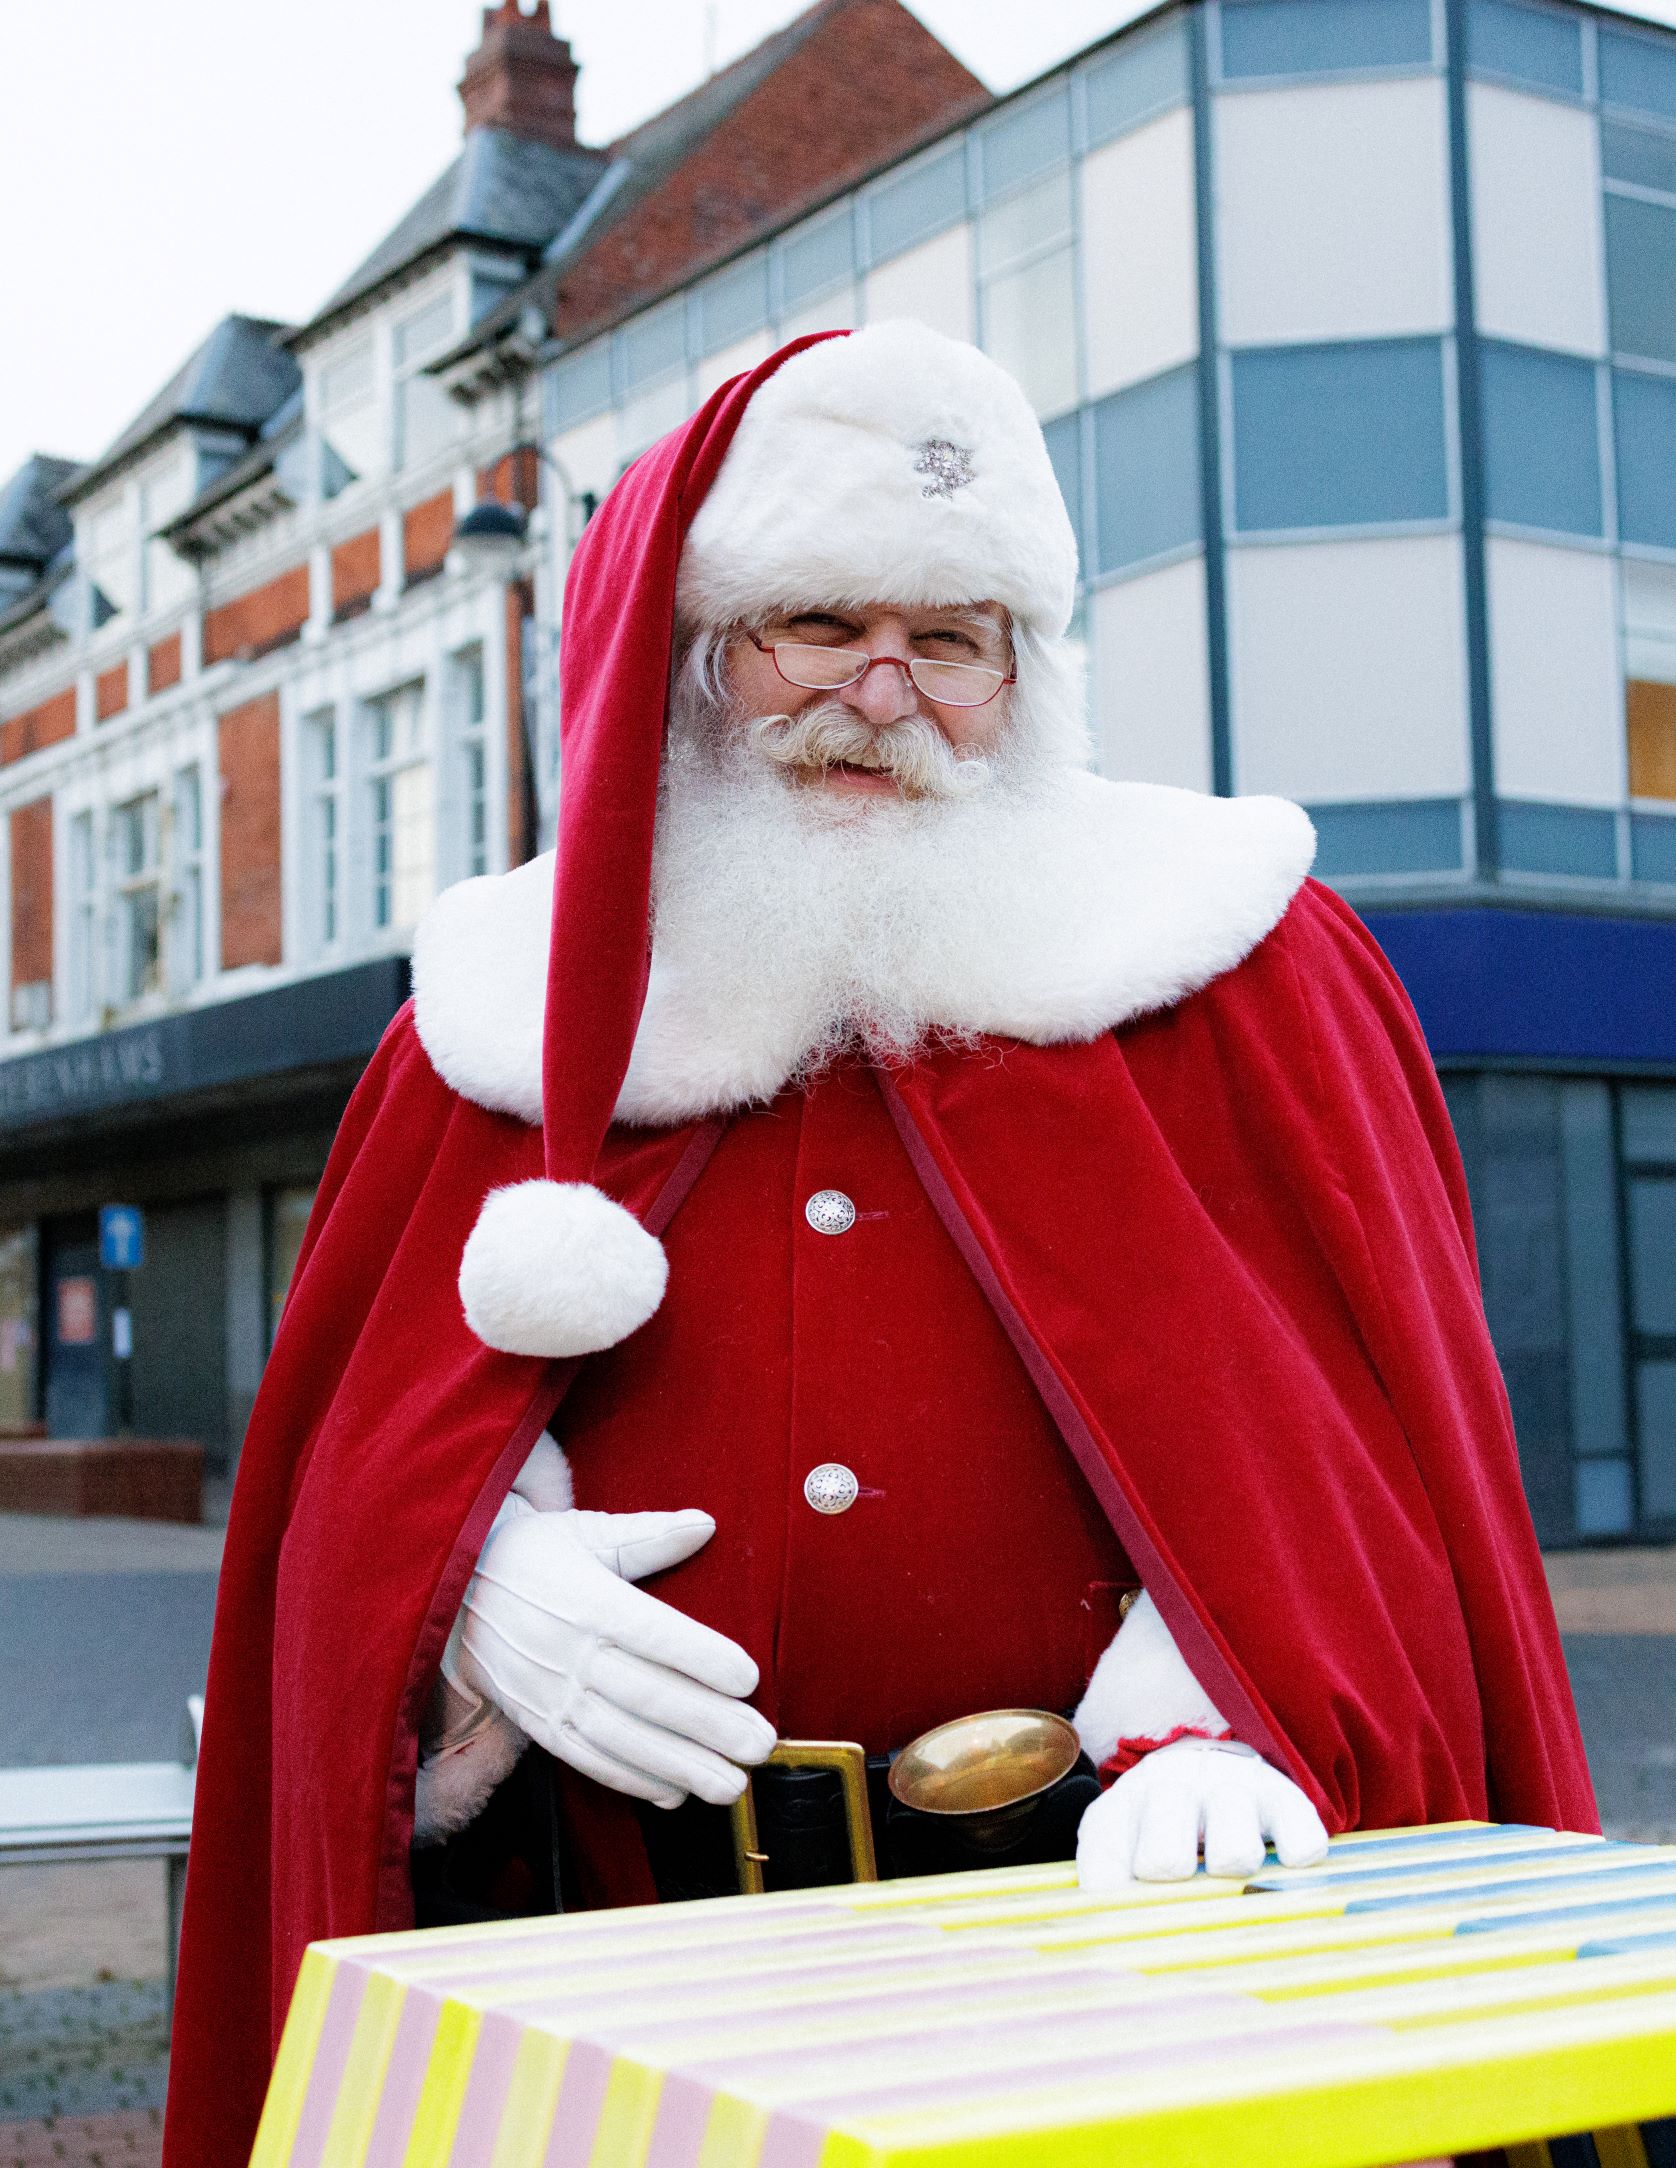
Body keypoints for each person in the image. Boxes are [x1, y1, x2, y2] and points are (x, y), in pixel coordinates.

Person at [163, 323, 1595, 2168]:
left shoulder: (1246, 962)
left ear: (1027, 671)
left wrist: (1242, 1713)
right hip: (631, 1957)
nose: (887, 690)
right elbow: (349, 1469)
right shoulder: (489, 1010)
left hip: (1130, 1957)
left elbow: (1384, 1461)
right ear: (694, 663)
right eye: (818, 625)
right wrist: (467, 1597)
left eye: (953, 638)